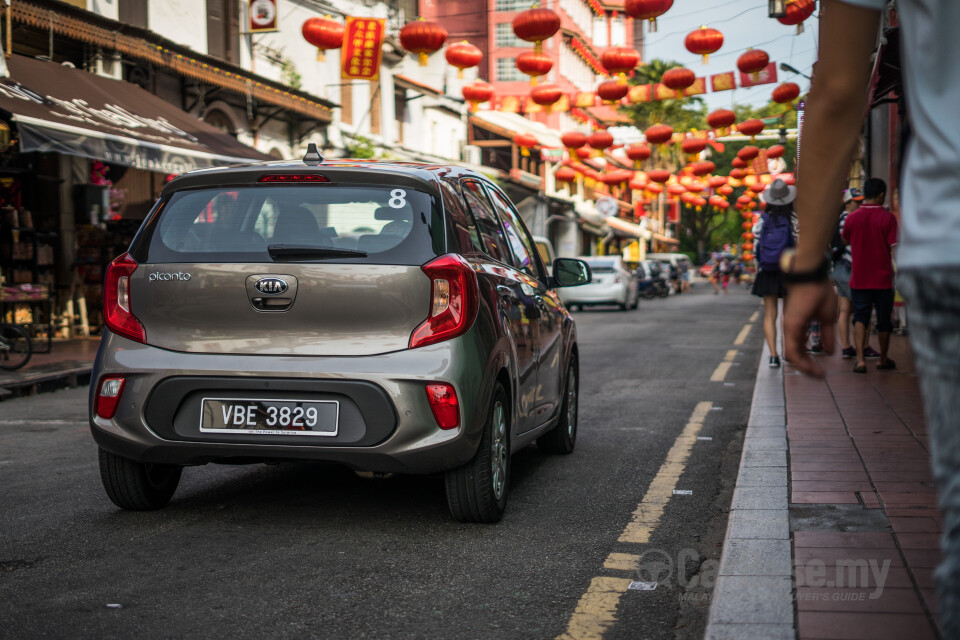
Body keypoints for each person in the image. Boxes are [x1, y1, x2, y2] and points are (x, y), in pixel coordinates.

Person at [782, 1, 960, 634]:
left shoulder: (860, 216)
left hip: (947, 246)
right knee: (880, 322)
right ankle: (875, 349)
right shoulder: (879, 216)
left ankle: (861, 349)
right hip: (907, 271)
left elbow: (835, 92)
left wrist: (804, 271)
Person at [842, 178, 899, 373]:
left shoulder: (852, 218)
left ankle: (860, 361)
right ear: (882, 195)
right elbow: (895, 248)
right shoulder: (888, 218)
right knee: (884, 320)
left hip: (859, 278)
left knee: (860, 318)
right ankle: (883, 359)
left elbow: (845, 239)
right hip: (883, 280)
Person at [750, 178, 796, 368]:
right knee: (789, 314)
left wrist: (759, 267)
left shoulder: (761, 221)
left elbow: (755, 249)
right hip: (789, 272)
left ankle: (773, 355)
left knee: (770, 315)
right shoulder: (794, 220)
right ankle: (789, 351)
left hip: (767, 270)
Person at [831, 188, 880, 359]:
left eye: (861, 201)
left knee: (844, 310)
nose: (860, 204)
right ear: (848, 203)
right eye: (856, 201)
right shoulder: (852, 219)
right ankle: (864, 347)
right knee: (863, 308)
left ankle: (846, 347)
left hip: (839, 268)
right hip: (851, 268)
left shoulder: (838, 219)